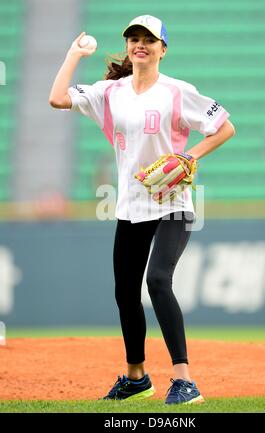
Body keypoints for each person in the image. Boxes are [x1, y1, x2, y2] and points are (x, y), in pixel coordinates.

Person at [49, 15, 235, 404]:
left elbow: (224, 127)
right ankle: (136, 378)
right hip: (131, 206)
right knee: (124, 292)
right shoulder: (109, 92)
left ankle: (185, 381)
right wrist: (72, 54)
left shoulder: (177, 91)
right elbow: (57, 98)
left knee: (158, 281)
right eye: (134, 38)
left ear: (162, 49)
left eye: (149, 39)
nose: (140, 44)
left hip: (174, 204)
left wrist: (190, 156)